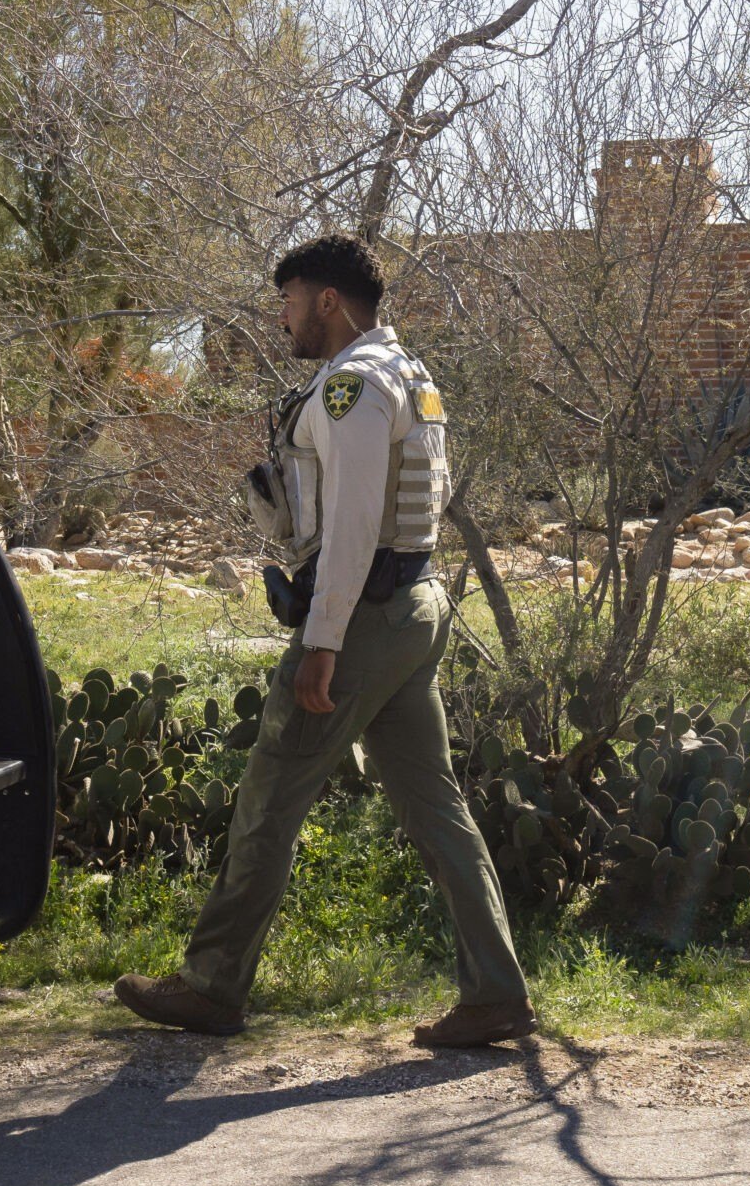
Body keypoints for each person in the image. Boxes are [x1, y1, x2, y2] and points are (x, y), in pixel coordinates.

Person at [113, 235, 535, 1049]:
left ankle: (211, 985)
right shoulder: (404, 371)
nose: (282, 316)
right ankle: (494, 990)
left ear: (329, 301)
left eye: (290, 299)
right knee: (434, 802)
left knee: (272, 794)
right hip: (413, 604)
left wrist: (323, 639)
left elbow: (347, 527)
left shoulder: (352, 387)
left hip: (365, 616)